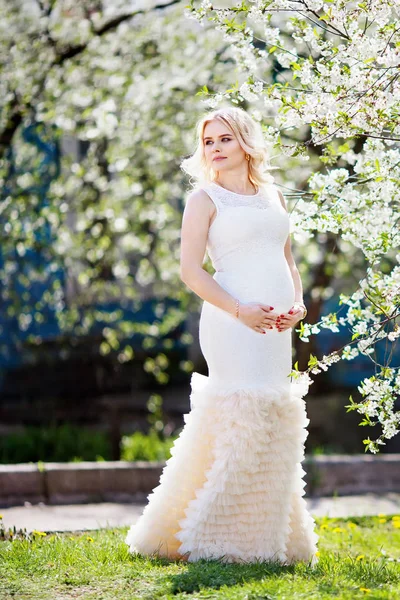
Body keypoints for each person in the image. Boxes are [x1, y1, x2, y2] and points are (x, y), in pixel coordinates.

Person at [125, 106, 319, 566]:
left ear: (245, 140)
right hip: (232, 323)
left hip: (275, 328)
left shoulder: (272, 194)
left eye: (224, 139)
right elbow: (190, 271)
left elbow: (286, 259)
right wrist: (240, 310)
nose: (215, 148)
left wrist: (298, 303)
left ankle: (269, 537)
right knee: (240, 414)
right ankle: (217, 538)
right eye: (208, 141)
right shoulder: (204, 200)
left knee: (272, 414)